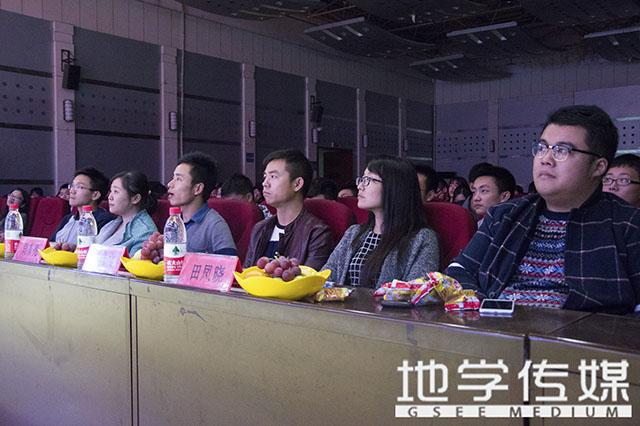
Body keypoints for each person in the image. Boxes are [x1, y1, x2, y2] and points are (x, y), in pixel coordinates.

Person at [446, 105, 640, 314]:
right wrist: (482, 308)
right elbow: (458, 270)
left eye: (562, 150)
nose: (545, 159)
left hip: (583, 332)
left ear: (598, 166)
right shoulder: (504, 215)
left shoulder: (628, 224)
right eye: (542, 148)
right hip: (496, 328)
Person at [323, 156, 439, 288]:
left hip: (383, 303)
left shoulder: (422, 239)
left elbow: (416, 292)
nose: (360, 186)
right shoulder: (353, 232)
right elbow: (326, 276)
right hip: (342, 302)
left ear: (394, 187)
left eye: (368, 180)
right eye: (361, 180)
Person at [244, 149, 334, 270]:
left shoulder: (317, 233)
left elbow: (308, 279)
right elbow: (247, 273)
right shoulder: (260, 229)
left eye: (273, 176)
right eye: (265, 176)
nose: (265, 183)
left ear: (297, 184)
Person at [166, 152, 237, 255]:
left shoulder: (215, 225)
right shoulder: (174, 222)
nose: (169, 184)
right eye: (173, 178)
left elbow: (230, 263)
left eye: (179, 179)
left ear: (198, 189)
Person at [95, 171, 158, 256]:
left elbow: (133, 263)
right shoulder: (114, 222)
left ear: (135, 198)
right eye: (111, 191)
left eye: (116, 191)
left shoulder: (145, 233)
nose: (110, 197)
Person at [51, 167, 115, 243]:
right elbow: (51, 243)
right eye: (72, 186)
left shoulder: (104, 221)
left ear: (95, 195)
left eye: (79, 187)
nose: (71, 191)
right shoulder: (68, 219)